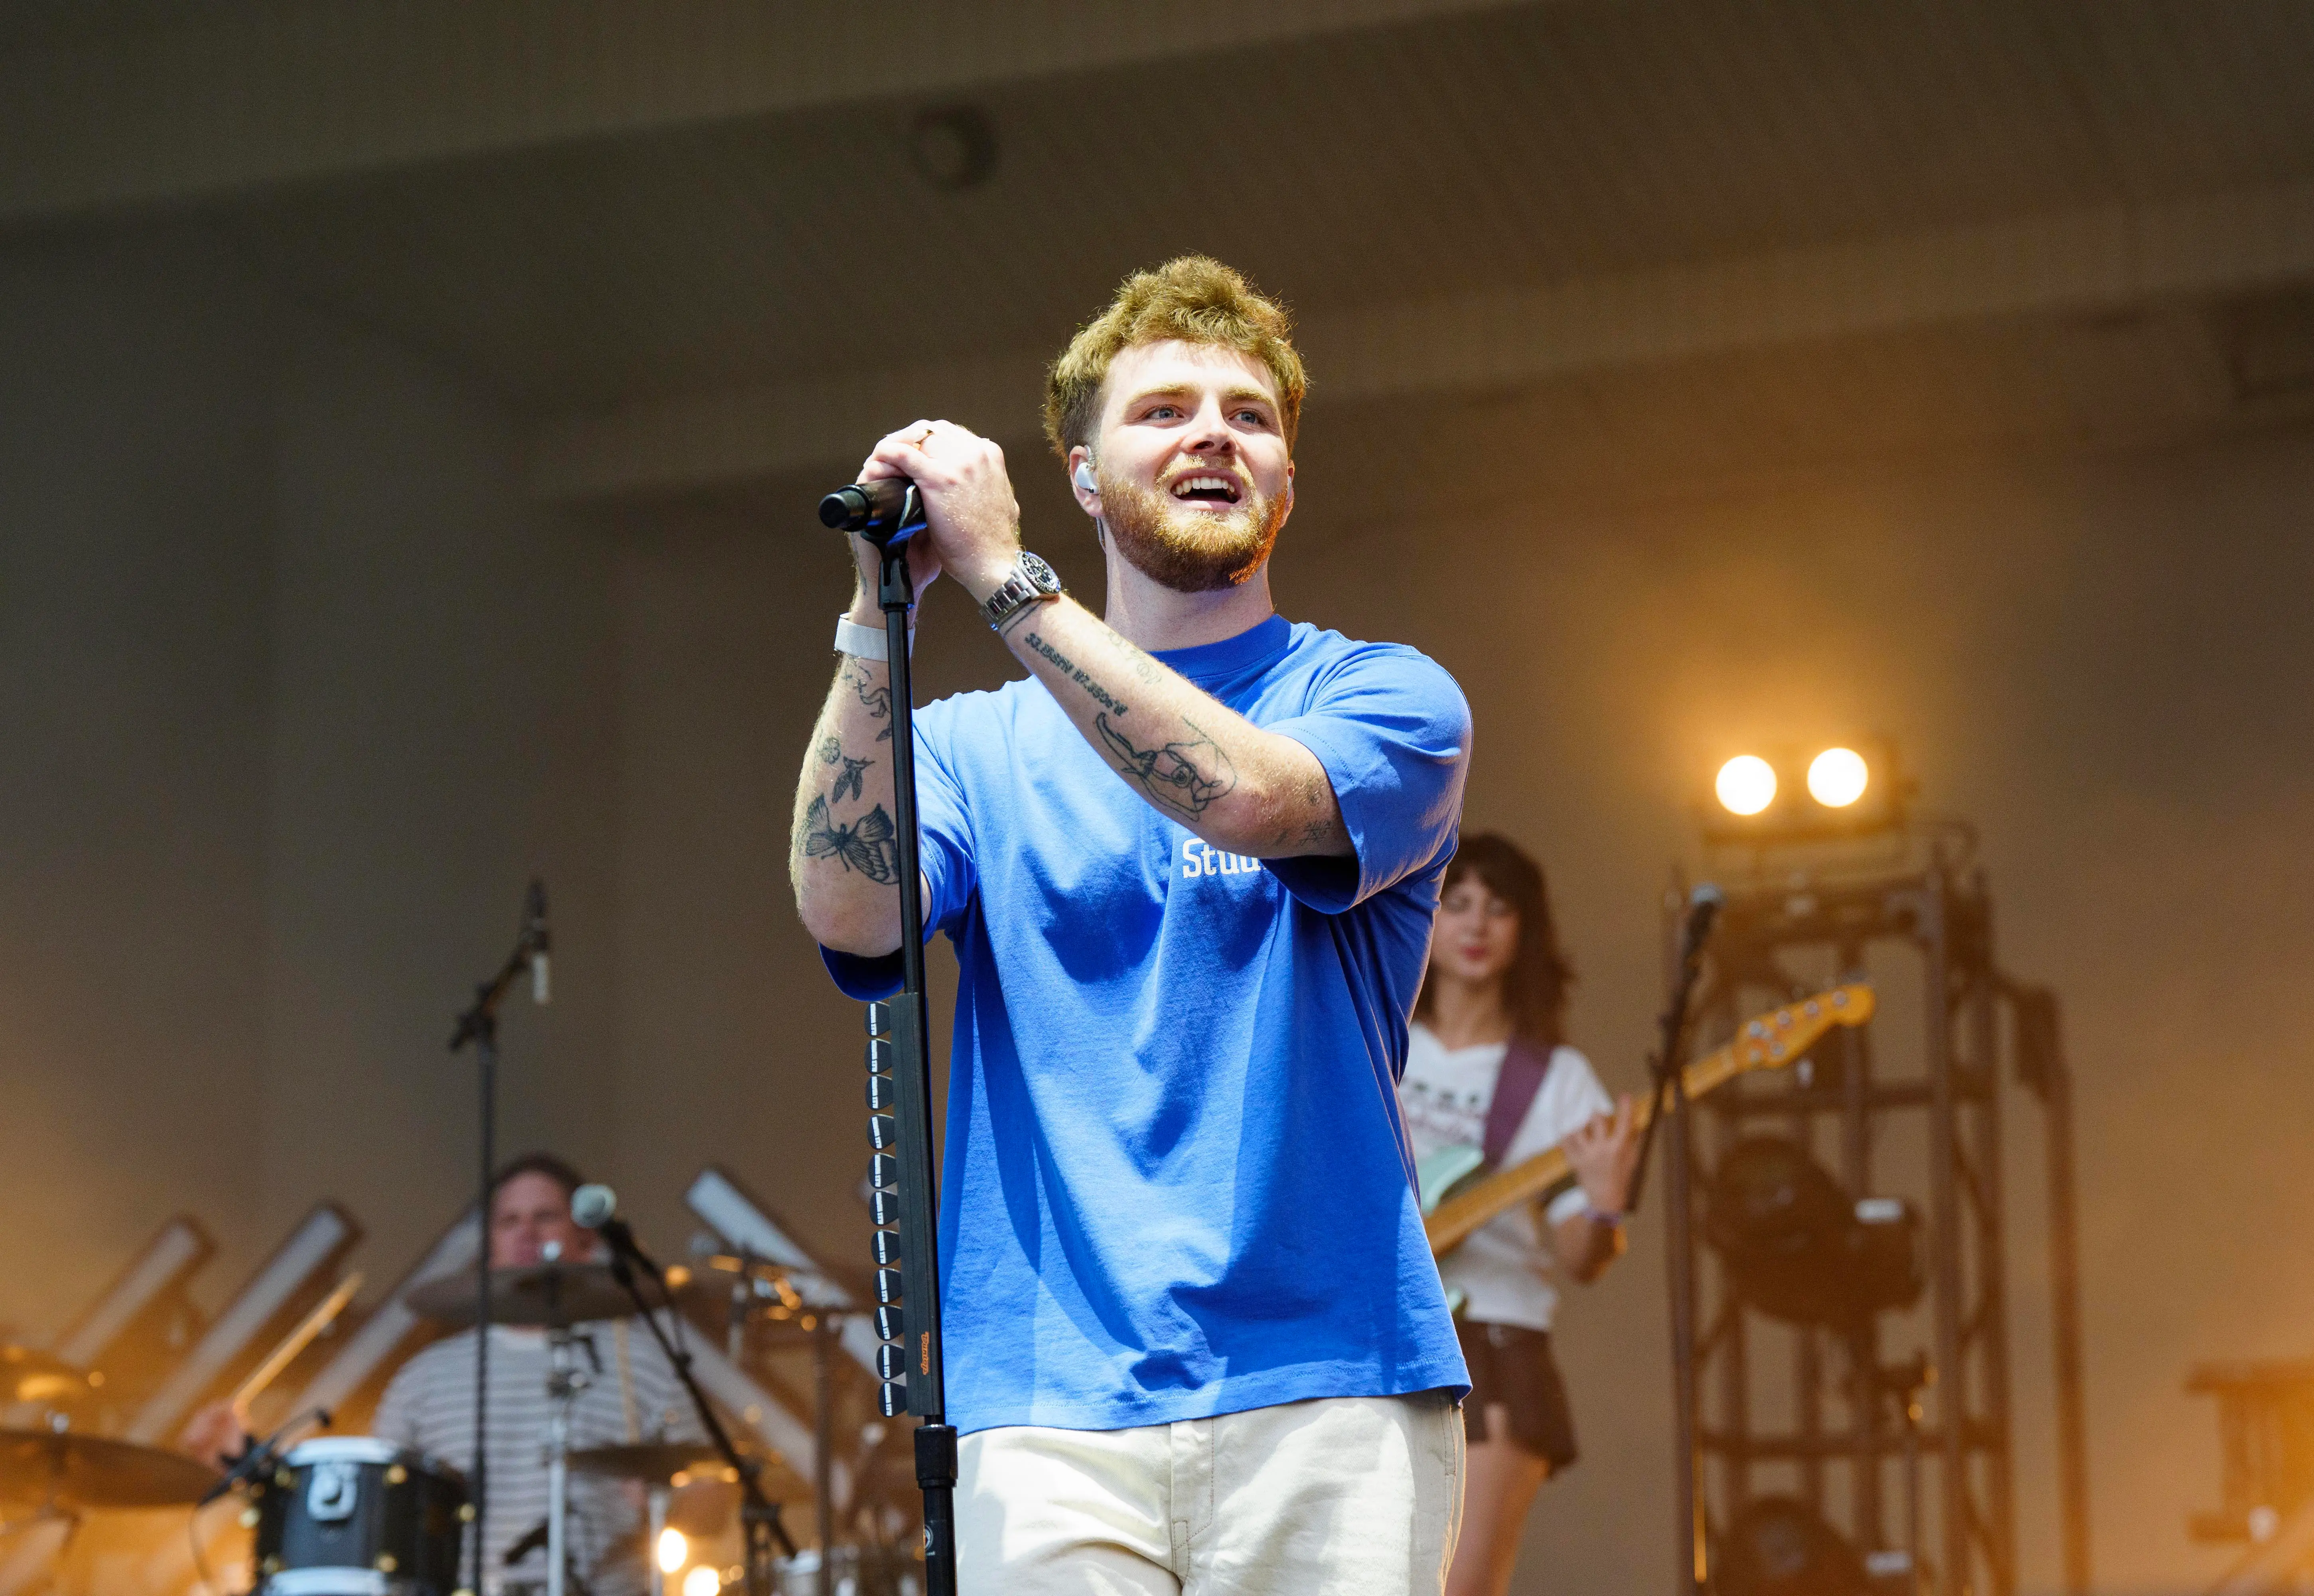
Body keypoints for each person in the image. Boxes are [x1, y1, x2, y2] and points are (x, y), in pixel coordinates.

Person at [791, 256, 1473, 1593]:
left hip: (1331, 1384)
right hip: (1045, 1405)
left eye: (1249, 416)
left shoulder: (1386, 698)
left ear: (1286, 484)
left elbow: (1243, 797)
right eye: (1164, 411)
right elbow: (850, 909)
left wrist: (1006, 579)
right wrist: (877, 617)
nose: (1214, 434)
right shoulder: (972, 747)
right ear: (1085, 478)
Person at [183, 1153, 702, 1596]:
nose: (526, 1233)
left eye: (545, 1217)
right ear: (490, 1243)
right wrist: (251, 1461)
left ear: (585, 1238)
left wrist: (676, 1500)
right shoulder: (425, 1379)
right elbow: (377, 1515)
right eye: (509, 1221)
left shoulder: (643, 1362)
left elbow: (712, 1501)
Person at [1403, 834, 1638, 1596]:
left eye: (1499, 909)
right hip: (1372, 1334)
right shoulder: (1379, 1034)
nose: (1476, 924)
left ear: (1525, 931)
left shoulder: (1558, 1080)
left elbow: (1581, 1258)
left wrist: (1605, 1205)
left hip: (1495, 1346)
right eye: (1459, 903)